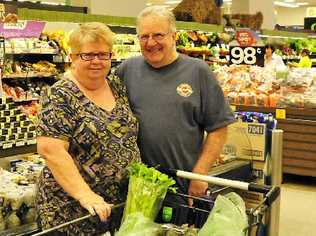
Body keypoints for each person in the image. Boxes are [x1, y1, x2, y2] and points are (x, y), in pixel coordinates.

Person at [118, 6, 235, 204]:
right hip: (136, 183)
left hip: (181, 185)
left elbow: (219, 128)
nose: (151, 43)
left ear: (174, 36)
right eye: (144, 37)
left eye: (158, 35)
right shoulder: (127, 69)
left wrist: (199, 176)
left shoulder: (198, 72)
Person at [36, 22, 140, 235]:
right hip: (74, 210)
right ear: (72, 57)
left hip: (116, 207)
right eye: (88, 55)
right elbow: (51, 150)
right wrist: (85, 195)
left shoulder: (116, 85)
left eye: (103, 55)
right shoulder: (60, 95)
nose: (96, 61)